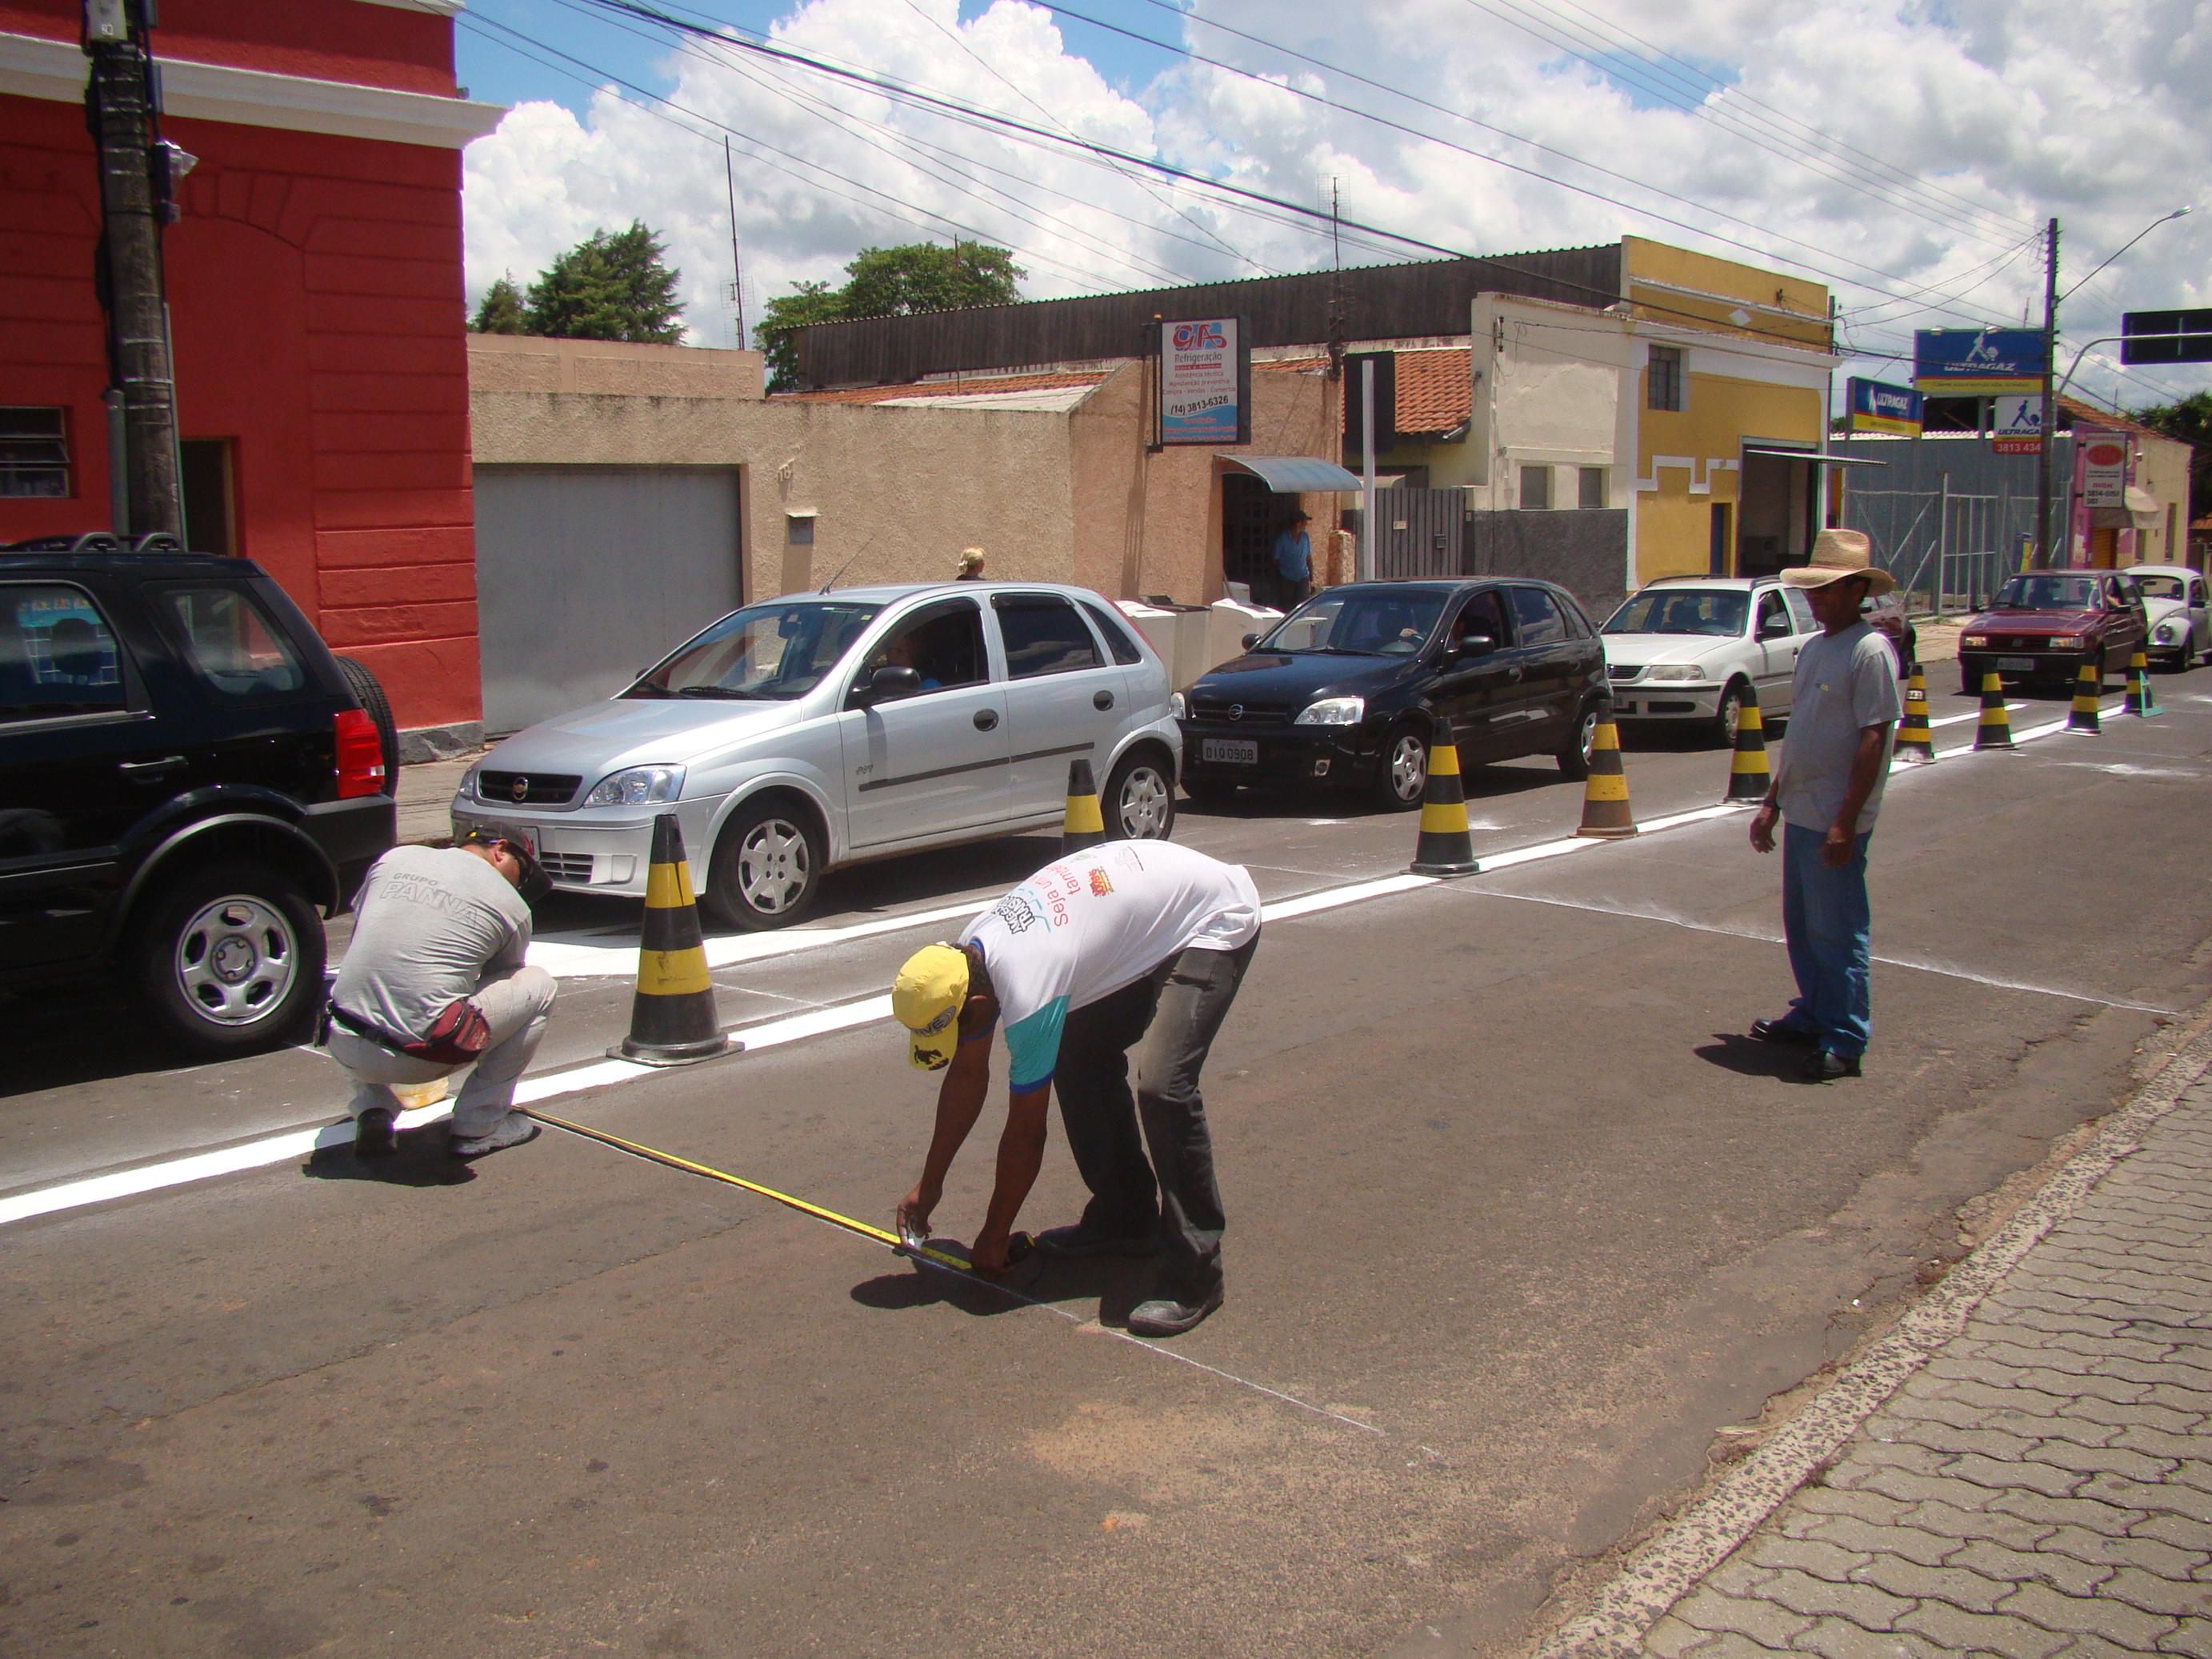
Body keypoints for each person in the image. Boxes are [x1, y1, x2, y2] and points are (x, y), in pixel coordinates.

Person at [891, 840, 1261, 1337]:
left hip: (1211, 919)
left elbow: (1026, 1133)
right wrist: (929, 1184)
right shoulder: (967, 958)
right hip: (1149, 916)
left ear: (974, 1005)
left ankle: (1198, 1272)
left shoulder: (1026, 985)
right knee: (1076, 1053)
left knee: (1163, 1086)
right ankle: (1126, 1216)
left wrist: (995, 1235)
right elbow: (967, 1077)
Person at [1746, 529, 1902, 1081]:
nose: (1818, 600)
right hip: (1802, 808)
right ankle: (1815, 1011)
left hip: (1835, 816)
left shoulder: (1869, 651)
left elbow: (1873, 737)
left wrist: (1845, 821)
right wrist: (1772, 801)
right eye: (1813, 590)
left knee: (1837, 929)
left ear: (1858, 590)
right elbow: (1801, 735)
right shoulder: (1815, 648)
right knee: (1804, 925)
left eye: (1830, 590)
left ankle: (1846, 1037)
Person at [326, 830, 557, 1157]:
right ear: (500, 850)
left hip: (342, 1043)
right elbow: (504, 979)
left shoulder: (395, 859)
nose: (519, 887)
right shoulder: (513, 907)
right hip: (421, 1057)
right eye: (523, 874)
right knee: (538, 986)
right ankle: (478, 1127)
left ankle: (372, 1108)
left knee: (371, 977)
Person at [1270, 511, 1313, 610]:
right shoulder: (1283, 539)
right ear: (1298, 523)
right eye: (1304, 522)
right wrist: (1285, 567)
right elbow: (1274, 560)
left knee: (1303, 607)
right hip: (1287, 579)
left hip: (1303, 578)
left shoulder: (1305, 537)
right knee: (1287, 607)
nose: (1306, 524)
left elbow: (1308, 558)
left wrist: (1311, 578)